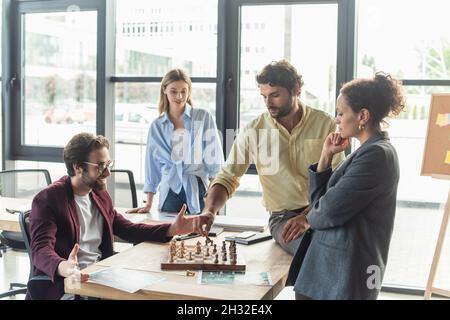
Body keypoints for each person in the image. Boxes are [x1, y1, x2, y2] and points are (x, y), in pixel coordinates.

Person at [194, 60, 344, 255]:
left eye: (275, 95)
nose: (268, 103)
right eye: (264, 96)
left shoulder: (325, 124)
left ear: (296, 90)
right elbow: (228, 177)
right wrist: (209, 211)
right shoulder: (253, 131)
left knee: (346, 245)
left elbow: (338, 179)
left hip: (322, 209)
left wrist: (309, 216)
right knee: (312, 249)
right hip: (283, 218)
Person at [29, 133, 201, 300]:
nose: (107, 173)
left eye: (108, 164)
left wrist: (172, 229)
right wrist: (64, 267)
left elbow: (127, 229)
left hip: (99, 278)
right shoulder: (48, 199)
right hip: (67, 284)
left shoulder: (99, 195)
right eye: (100, 166)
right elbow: (41, 249)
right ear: (77, 167)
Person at [289, 72, 405, 300]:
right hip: (330, 274)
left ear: (362, 116)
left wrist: (307, 218)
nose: (336, 119)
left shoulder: (376, 156)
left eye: (341, 113)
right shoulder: (366, 151)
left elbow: (326, 211)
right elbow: (319, 203)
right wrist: (325, 156)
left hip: (343, 278)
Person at [127, 69, 223, 215]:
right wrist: (149, 204)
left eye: (184, 91)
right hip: (169, 190)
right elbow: (151, 166)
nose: (179, 96)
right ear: (164, 90)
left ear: (189, 91)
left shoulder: (203, 117)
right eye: (173, 91)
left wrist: (212, 199)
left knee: (200, 234)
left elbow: (214, 159)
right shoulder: (157, 125)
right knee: (169, 234)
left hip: (197, 187)